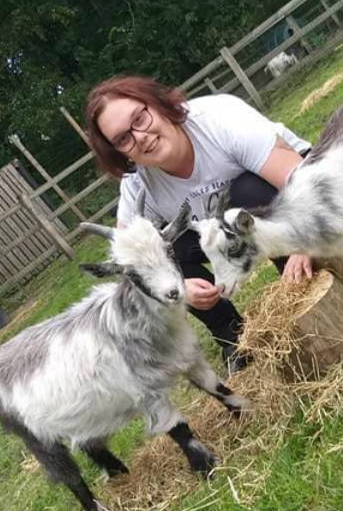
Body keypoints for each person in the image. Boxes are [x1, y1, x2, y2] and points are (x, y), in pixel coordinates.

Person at [82, 75, 314, 370]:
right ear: (119, 152)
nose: (139, 137)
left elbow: (304, 180)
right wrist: (177, 287)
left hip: (294, 192)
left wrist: (302, 245)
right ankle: (230, 332)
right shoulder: (138, 185)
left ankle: (299, 281)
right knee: (164, 253)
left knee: (248, 191)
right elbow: (130, 265)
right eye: (123, 139)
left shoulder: (219, 119)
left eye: (140, 118)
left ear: (157, 104)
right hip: (219, 229)